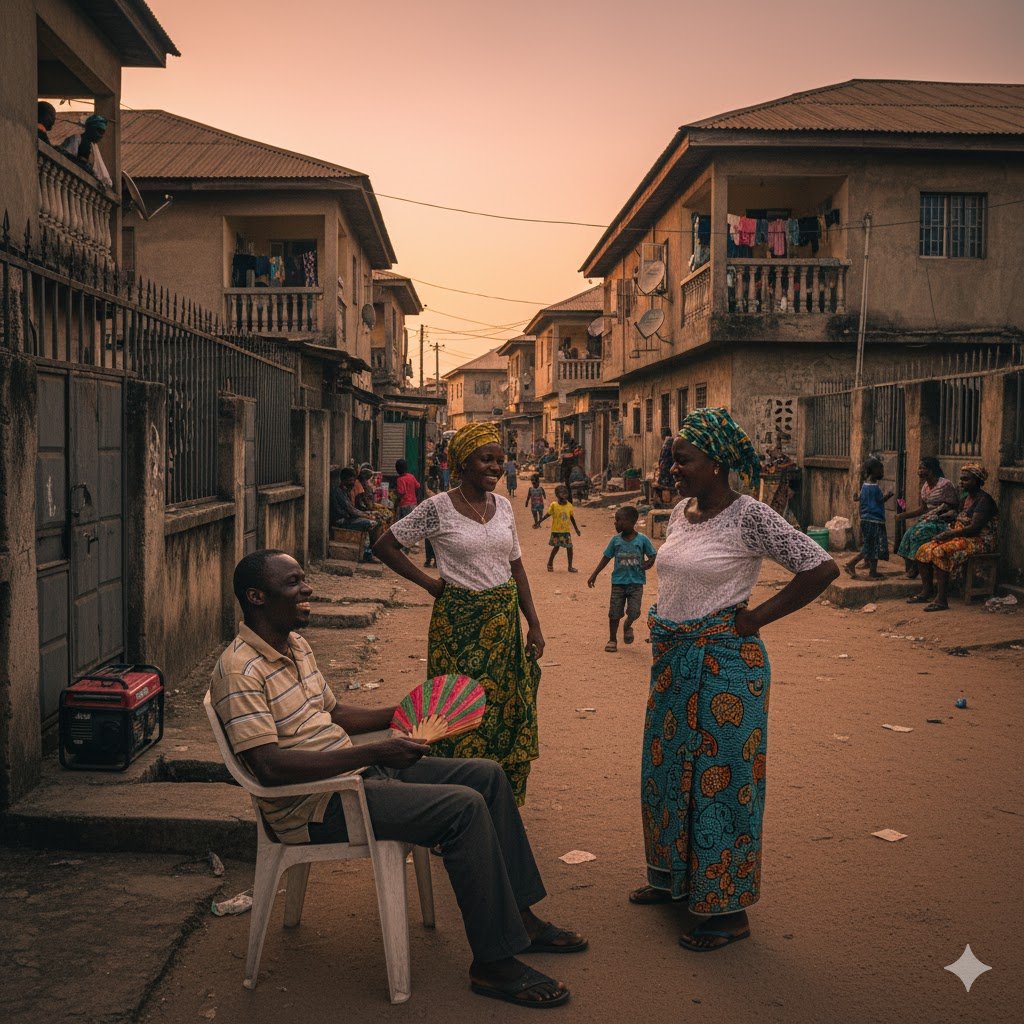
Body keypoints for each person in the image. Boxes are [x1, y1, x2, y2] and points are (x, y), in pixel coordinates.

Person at [211, 550, 585, 1008]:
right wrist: (377, 751)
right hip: (315, 805)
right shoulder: (239, 670)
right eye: (293, 583)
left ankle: (521, 918)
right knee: (463, 809)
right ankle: (493, 962)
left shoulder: (296, 645)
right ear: (257, 597)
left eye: (304, 579)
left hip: (358, 771)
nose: (307, 590)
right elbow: (268, 767)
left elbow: (333, 714)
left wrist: (405, 712)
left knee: (487, 776)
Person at [630, 407, 837, 951]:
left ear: (718, 463)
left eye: (684, 460)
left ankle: (728, 911)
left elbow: (820, 568)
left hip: (726, 668)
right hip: (674, 662)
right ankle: (674, 877)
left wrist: (754, 619)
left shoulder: (752, 516)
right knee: (667, 770)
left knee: (721, 782)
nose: (674, 469)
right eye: (674, 459)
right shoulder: (681, 513)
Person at [373, 423, 544, 805]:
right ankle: (453, 800)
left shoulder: (504, 507)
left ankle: (497, 795)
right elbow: (385, 546)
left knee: (503, 709)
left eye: (500, 461)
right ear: (463, 463)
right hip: (458, 627)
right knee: (455, 709)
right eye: (487, 459)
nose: (496, 468)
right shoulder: (437, 508)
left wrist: (533, 623)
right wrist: (430, 584)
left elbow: (516, 567)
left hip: (503, 625)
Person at [909, 463, 999, 612]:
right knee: (923, 549)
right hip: (962, 536)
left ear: (977, 480)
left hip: (980, 540)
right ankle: (927, 591)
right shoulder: (965, 498)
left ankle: (941, 600)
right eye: (961, 479)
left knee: (941, 551)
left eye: (966, 479)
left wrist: (950, 534)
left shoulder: (984, 500)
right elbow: (958, 516)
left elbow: (974, 528)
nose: (961, 482)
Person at [587, 506, 656, 652]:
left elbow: (652, 554)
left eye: (619, 520)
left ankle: (627, 625)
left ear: (631, 521)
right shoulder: (615, 541)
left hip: (636, 584)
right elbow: (606, 557)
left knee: (634, 612)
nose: (615, 523)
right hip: (618, 583)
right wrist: (594, 574)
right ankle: (612, 639)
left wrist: (648, 563)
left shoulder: (642, 540)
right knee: (614, 613)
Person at [894, 457, 960, 578]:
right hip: (927, 520)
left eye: (922, 468)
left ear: (931, 470)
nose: (919, 471)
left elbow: (954, 506)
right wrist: (904, 515)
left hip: (942, 521)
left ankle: (916, 568)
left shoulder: (945, 485)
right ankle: (912, 567)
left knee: (917, 534)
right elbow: (923, 509)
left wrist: (940, 513)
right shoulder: (925, 486)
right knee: (907, 535)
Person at [844, 457, 892, 580]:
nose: (882, 472)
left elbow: (860, 499)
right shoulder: (874, 488)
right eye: (880, 469)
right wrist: (888, 495)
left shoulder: (865, 486)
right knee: (871, 547)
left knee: (872, 546)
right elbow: (880, 501)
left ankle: (873, 571)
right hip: (874, 520)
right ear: (874, 470)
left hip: (867, 519)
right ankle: (851, 564)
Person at [330, 468, 380, 562]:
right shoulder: (338, 492)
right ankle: (368, 554)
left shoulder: (344, 491)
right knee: (372, 524)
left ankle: (371, 552)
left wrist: (368, 513)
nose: (352, 483)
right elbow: (352, 510)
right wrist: (367, 515)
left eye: (353, 480)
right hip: (341, 521)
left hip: (347, 518)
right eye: (350, 480)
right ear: (343, 480)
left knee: (375, 522)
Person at [535, 484, 581, 573]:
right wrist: (539, 522)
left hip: (566, 531)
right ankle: (550, 563)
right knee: (556, 548)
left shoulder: (569, 506)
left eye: (566, 493)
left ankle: (570, 566)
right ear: (557, 495)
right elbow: (547, 515)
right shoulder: (554, 505)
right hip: (556, 531)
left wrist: (576, 529)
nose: (565, 495)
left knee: (569, 548)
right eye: (562, 494)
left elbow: (572, 518)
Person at [59, 113, 112, 188]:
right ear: (90, 128)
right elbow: (66, 157)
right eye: (99, 131)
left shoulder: (94, 147)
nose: (101, 136)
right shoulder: (76, 139)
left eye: (103, 133)